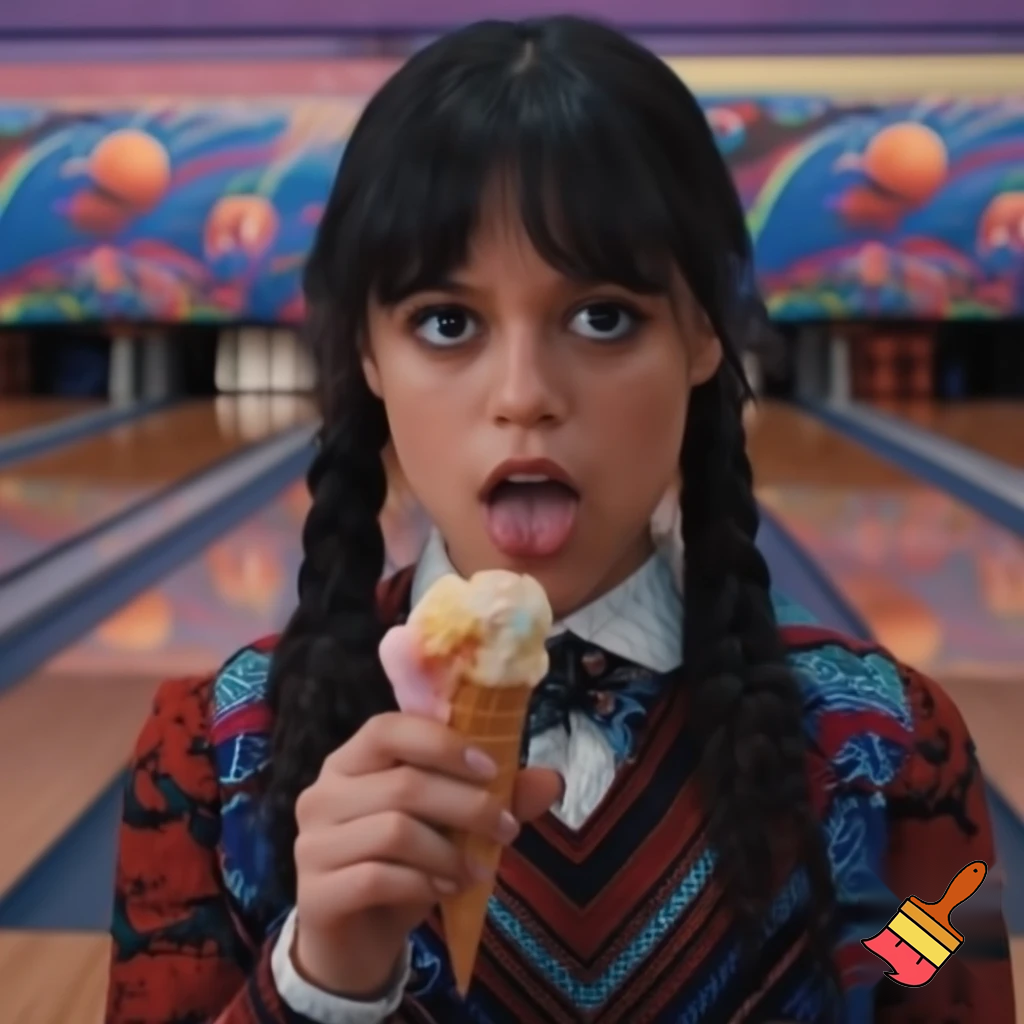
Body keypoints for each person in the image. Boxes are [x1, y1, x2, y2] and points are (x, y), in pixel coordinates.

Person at [103, 17, 1016, 1023]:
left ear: (704, 334)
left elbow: (941, 962)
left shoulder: (897, 752)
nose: (524, 393)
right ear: (367, 355)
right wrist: (319, 979)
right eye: (446, 324)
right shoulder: (208, 759)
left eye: (602, 317)